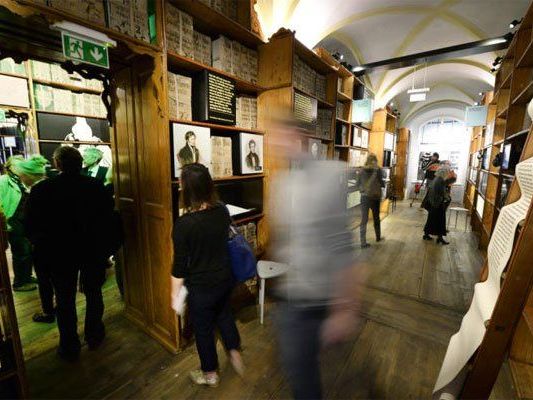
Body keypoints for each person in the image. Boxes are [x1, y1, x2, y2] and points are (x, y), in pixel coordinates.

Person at [269, 149, 361, 400]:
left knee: (303, 371)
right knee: (301, 367)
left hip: (315, 295)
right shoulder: (285, 183)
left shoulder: (325, 183)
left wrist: (344, 308)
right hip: (296, 292)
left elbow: (343, 248)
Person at [25, 147, 115, 361]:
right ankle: (94, 335)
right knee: (94, 293)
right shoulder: (95, 186)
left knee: (64, 300)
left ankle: (69, 345)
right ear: (80, 163)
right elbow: (106, 219)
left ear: (57, 164)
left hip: (58, 253)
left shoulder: (42, 189)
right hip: (91, 249)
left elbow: (31, 225)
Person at [171, 163, 243, 387]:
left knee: (203, 330)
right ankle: (235, 352)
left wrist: (174, 297)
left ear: (185, 188)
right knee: (224, 315)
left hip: (201, 288)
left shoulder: (183, 225)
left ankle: (210, 374)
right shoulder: (222, 210)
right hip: (225, 278)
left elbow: (179, 267)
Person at [0, 155, 47, 292]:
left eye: (21, 164)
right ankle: (19, 282)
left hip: (25, 220)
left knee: (28, 250)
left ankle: (27, 276)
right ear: (9, 167)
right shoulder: (4, 180)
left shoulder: (24, 180)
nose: (19, 167)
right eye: (15, 165)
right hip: (13, 220)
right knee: (21, 251)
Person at [356, 153, 385, 248]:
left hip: (364, 197)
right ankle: (378, 237)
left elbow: (357, 184)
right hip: (375, 197)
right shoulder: (378, 170)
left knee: (364, 219)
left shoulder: (361, 170)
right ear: (375, 160)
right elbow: (382, 183)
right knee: (376, 218)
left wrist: (363, 189)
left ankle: (363, 242)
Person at [423, 166, 451, 245]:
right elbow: (442, 193)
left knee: (431, 219)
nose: (447, 174)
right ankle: (440, 238)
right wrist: (448, 198)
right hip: (437, 203)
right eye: (447, 173)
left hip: (433, 202)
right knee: (440, 220)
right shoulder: (440, 180)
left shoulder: (436, 179)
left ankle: (426, 234)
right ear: (444, 173)